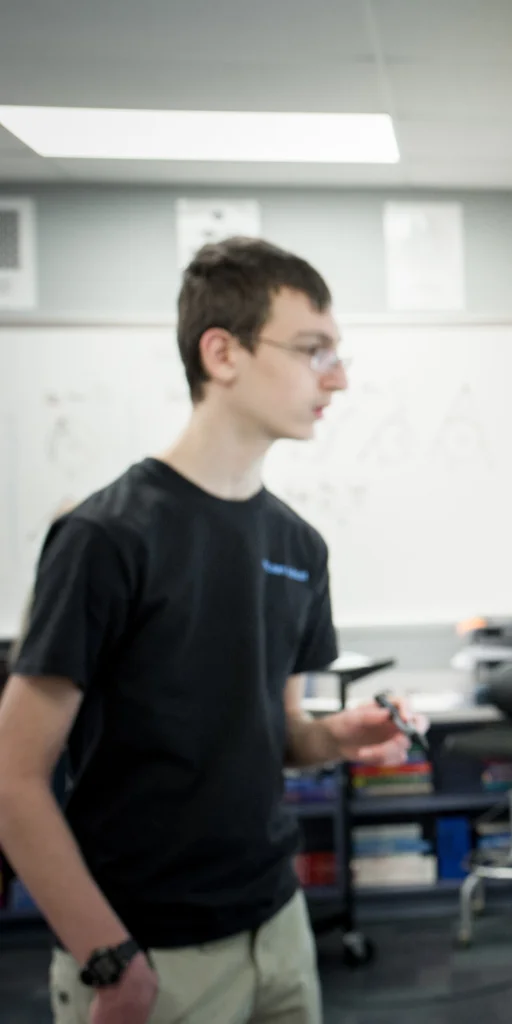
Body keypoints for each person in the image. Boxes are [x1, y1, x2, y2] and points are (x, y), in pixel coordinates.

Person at [0, 237, 415, 1024]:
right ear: (221, 352)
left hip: (278, 928)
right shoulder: (106, 538)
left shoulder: (298, 546)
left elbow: (281, 732)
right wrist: (111, 961)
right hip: (149, 954)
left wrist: (337, 737)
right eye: (312, 350)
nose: (340, 377)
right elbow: (12, 779)